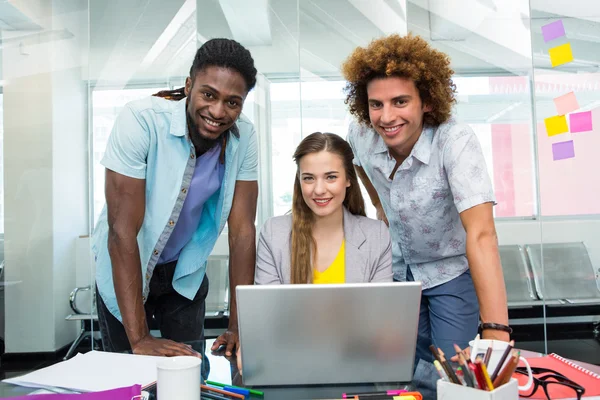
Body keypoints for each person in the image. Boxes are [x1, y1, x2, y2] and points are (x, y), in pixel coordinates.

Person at [92, 39, 258, 378]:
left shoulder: (246, 139)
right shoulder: (141, 120)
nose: (217, 111)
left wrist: (239, 326)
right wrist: (138, 338)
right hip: (126, 264)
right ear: (188, 86)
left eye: (232, 102)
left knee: (188, 376)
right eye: (208, 94)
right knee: (130, 379)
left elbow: (242, 233)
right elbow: (122, 231)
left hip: (184, 273)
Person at [341, 34, 510, 365]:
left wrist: (496, 331)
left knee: (451, 369)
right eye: (376, 104)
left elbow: (481, 233)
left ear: (428, 101)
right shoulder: (360, 133)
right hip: (396, 271)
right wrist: (379, 206)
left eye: (400, 102)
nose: (386, 117)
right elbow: (360, 166)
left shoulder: (454, 140)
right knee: (400, 369)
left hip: (449, 271)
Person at [254, 132, 393, 285]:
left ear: (348, 179)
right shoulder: (273, 234)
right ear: (299, 181)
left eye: (331, 177)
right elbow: (269, 307)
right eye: (308, 178)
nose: (319, 190)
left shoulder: (377, 236)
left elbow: (380, 307)